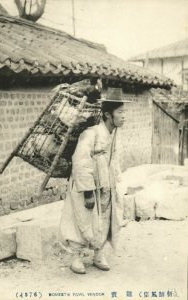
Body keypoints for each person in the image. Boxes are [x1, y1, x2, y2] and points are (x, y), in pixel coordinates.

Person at [59, 96, 125, 274]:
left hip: (105, 182)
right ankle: (76, 257)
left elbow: (114, 158)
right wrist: (88, 191)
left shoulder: (112, 134)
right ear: (107, 115)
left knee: (104, 216)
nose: (124, 116)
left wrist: (116, 182)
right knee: (82, 217)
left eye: (124, 112)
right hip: (86, 184)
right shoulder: (90, 133)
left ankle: (98, 253)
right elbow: (80, 161)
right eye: (120, 112)